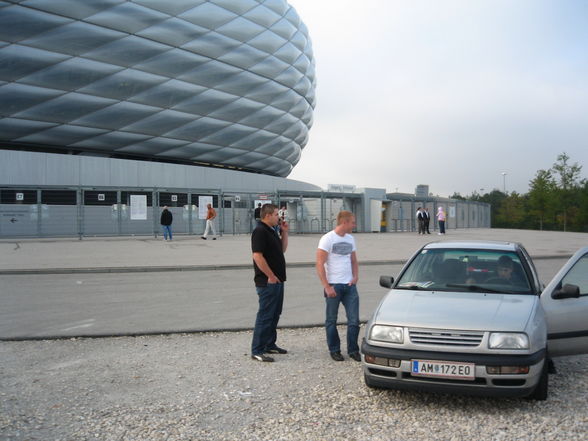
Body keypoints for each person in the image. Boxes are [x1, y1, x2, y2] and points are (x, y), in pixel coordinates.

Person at [316, 210, 360, 362]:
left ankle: (353, 350)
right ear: (344, 222)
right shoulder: (327, 239)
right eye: (352, 222)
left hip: (349, 286)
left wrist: (355, 277)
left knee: (354, 320)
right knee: (331, 320)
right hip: (333, 286)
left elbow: (354, 260)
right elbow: (319, 264)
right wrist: (327, 286)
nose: (354, 225)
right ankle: (334, 350)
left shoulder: (351, 239)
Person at [251, 203, 289, 362]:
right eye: (275, 214)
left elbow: (282, 250)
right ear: (267, 216)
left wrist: (285, 232)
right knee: (265, 316)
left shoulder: (272, 230)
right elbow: (257, 256)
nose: (278, 217)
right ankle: (257, 350)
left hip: (278, 280)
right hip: (268, 282)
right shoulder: (260, 231)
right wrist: (271, 276)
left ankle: (269, 344)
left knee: (274, 314)